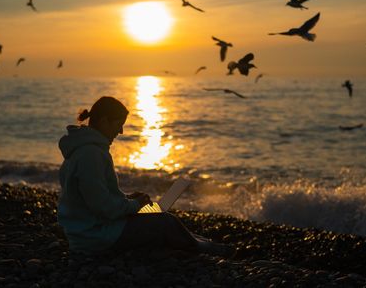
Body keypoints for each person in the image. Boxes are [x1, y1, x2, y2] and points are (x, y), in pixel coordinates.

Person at [57, 96, 234, 257]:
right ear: (104, 121)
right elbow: (103, 207)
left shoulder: (85, 149)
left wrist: (127, 199)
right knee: (164, 222)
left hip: (93, 230)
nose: (121, 132)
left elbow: (95, 196)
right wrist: (133, 206)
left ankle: (204, 243)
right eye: (118, 124)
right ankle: (208, 249)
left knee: (163, 222)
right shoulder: (91, 154)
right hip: (95, 237)